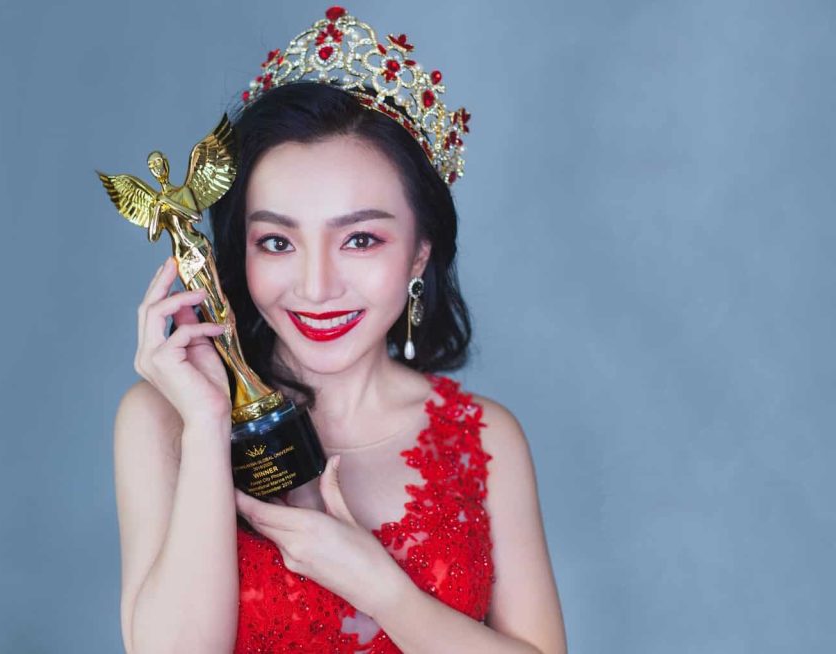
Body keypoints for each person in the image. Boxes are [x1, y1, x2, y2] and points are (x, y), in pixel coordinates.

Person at [112, 7, 566, 653]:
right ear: (236, 254)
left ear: (419, 253)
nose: (317, 286)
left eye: (359, 239)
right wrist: (211, 425)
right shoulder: (163, 422)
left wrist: (380, 587)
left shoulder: (484, 437)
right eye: (277, 241)